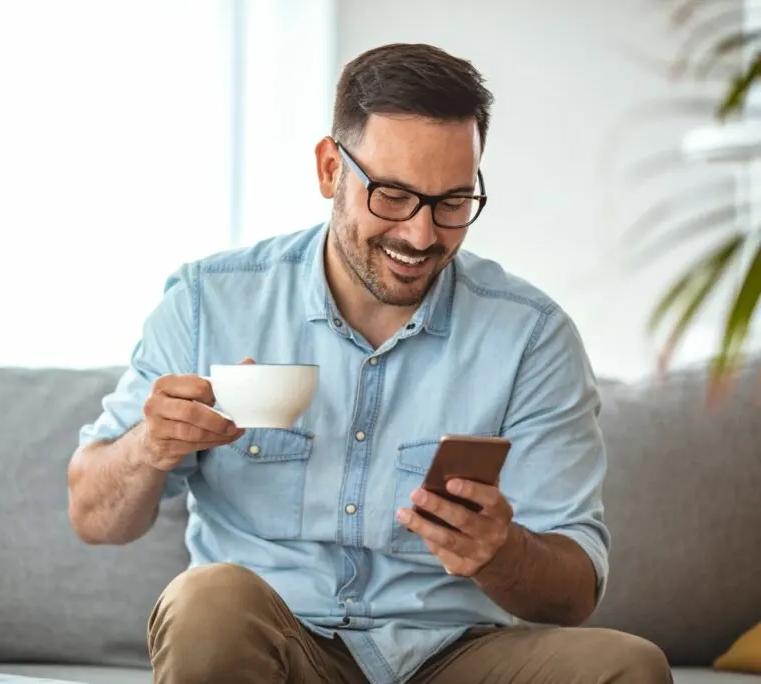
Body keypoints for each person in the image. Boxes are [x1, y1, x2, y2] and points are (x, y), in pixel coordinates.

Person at [66, 42, 672, 684]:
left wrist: (500, 553)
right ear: (331, 170)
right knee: (206, 601)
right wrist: (148, 446)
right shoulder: (206, 303)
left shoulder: (531, 336)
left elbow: (573, 593)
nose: (420, 234)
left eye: (452, 202)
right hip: (276, 645)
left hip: (454, 652)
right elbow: (94, 518)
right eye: (392, 195)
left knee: (629, 666)